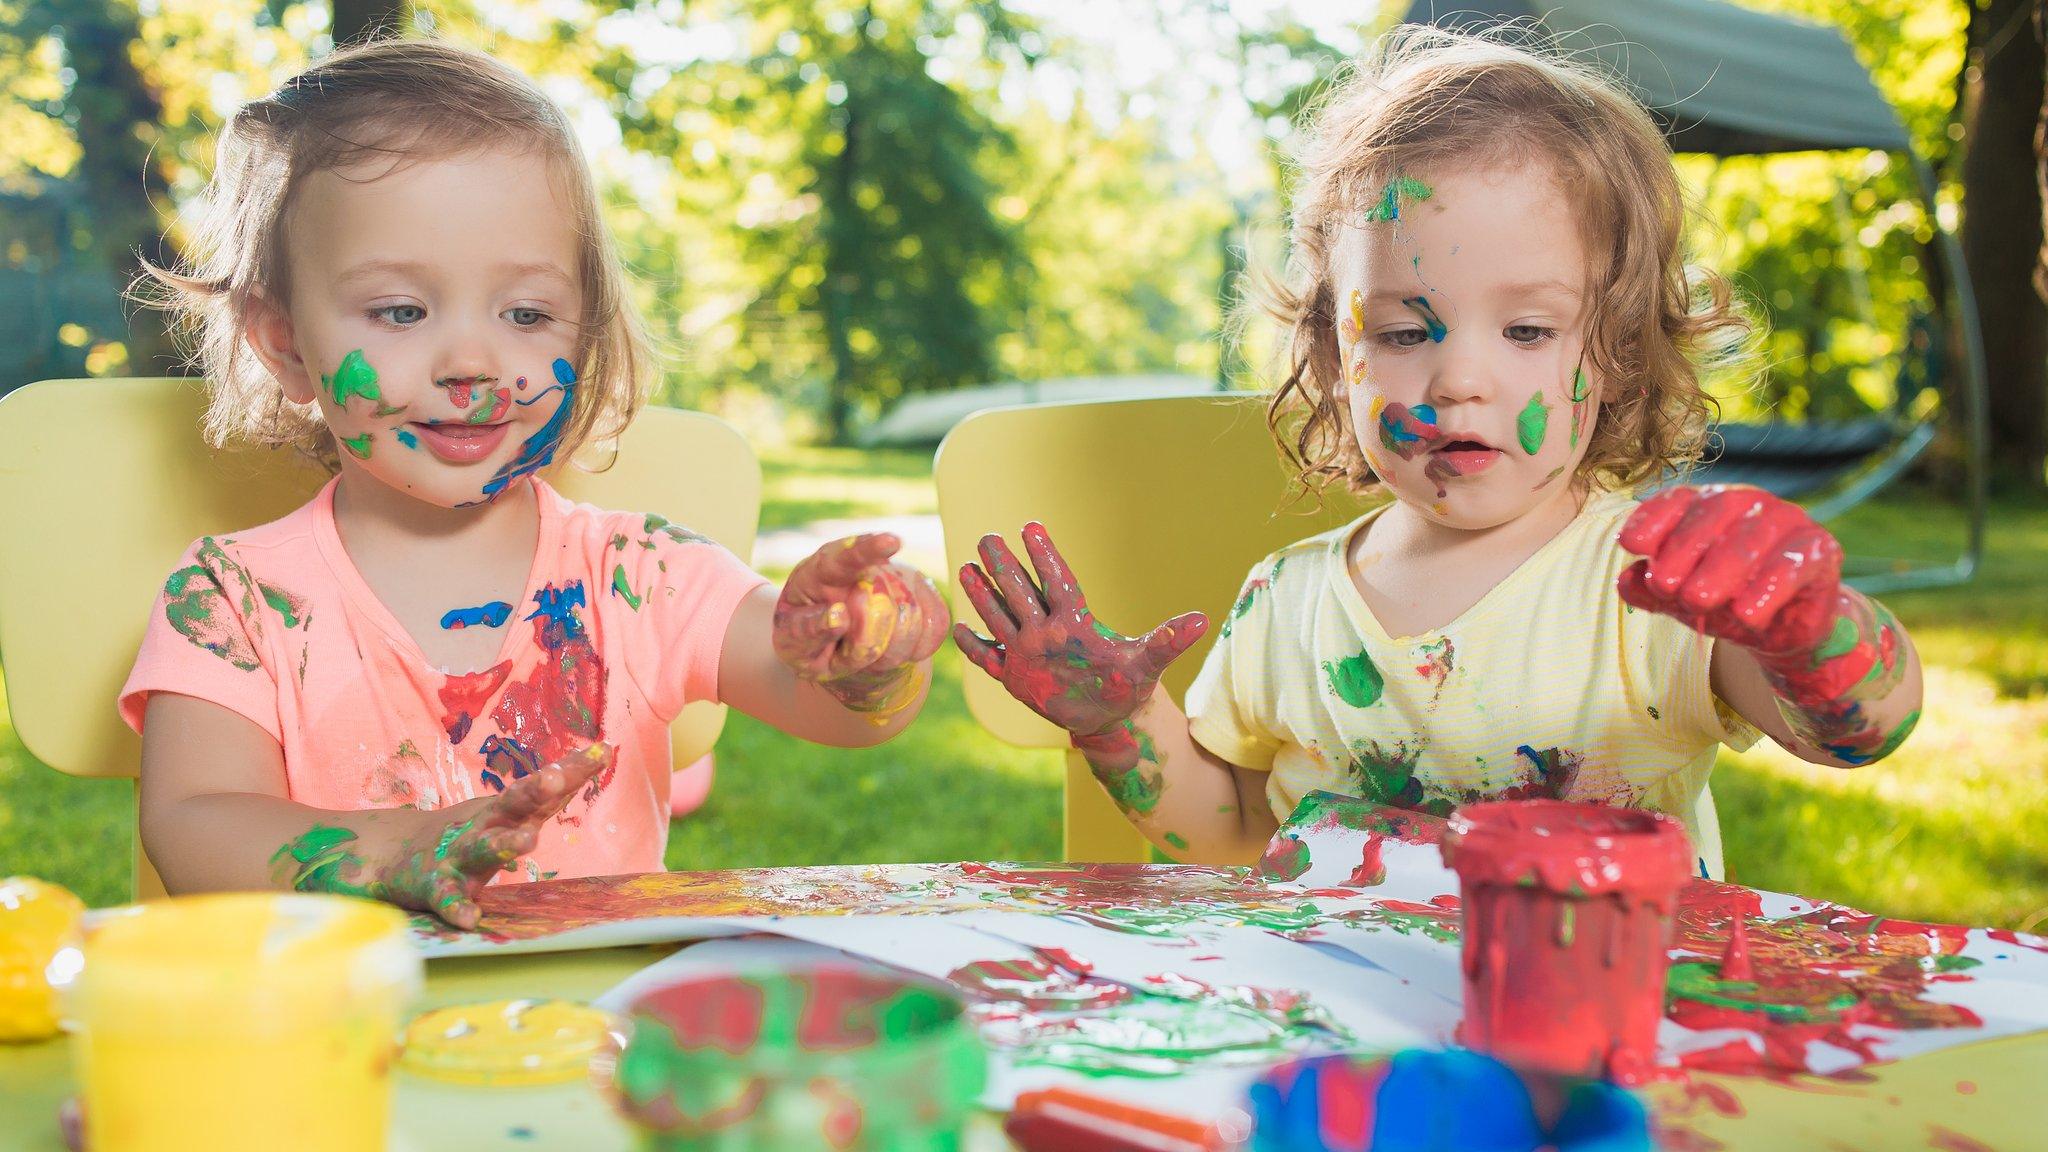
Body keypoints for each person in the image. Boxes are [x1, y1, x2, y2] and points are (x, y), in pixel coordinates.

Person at [954, 27, 1922, 880]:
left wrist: (1805, 625)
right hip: (1344, 1034)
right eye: (1405, 335)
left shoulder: (1646, 586)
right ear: (1334, 359)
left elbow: (1859, 731)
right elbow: (1231, 835)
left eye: (1528, 331)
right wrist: (1116, 725)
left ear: (1620, 352)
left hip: (1585, 1047)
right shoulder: (1283, 603)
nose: (1459, 380)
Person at [122, 38, 948, 928]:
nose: (473, 362)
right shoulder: (234, 600)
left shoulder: (639, 575)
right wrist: (396, 849)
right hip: (343, 1036)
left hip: (591, 1038)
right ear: (285, 342)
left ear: (582, 331)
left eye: (527, 314)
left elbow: (826, 705)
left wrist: (858, 652)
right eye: (401, 310)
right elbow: (191, 823)